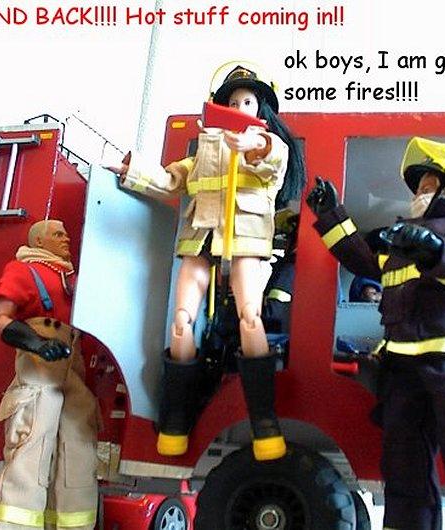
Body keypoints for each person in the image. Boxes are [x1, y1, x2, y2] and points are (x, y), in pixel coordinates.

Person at [306, 137, 445, 530]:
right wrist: (331, 216)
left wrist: (437, 252)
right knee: (402, 465)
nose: (418, 196)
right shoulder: (403, 240)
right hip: (400, 372)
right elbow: (362, 259)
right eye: (418, 189)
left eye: (427, 187)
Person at [110, 63, 305, 461]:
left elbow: (272, 158)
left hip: (246, 238)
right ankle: (176, 419)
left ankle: (264, 423)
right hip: (202, 236)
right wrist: (132, 172)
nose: (240, 107)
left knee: (250, 317)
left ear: (261, 107)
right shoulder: (205, 149)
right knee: (181, 322)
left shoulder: (269, 142)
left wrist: (252, 144)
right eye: (233, 101)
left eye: (247, 101)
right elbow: (169, 180)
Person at [0, 220, 99, 530]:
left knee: (78, 450)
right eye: (58, 234)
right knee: (32, 443)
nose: (66, 239)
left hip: (73, 367)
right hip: (39, 367)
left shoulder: (72, 278)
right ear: (38, 241)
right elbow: (2, 319)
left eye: (66, 233)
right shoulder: (24, 270)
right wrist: (36, 343)